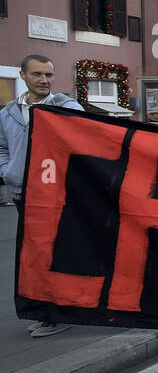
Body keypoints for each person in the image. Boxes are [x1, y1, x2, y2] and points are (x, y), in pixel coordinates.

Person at [0, 55, 85, 337]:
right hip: (23, 193)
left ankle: (57, 314)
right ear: (22, 75)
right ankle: (50, 312)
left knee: (54, 253)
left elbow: (85, 141)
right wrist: (8, 171)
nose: (44, 80)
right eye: (37, 74)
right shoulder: (8, 112)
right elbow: (2, 147)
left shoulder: (66, 107)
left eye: (48, 75)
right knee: (34, 255)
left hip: (56, 193)